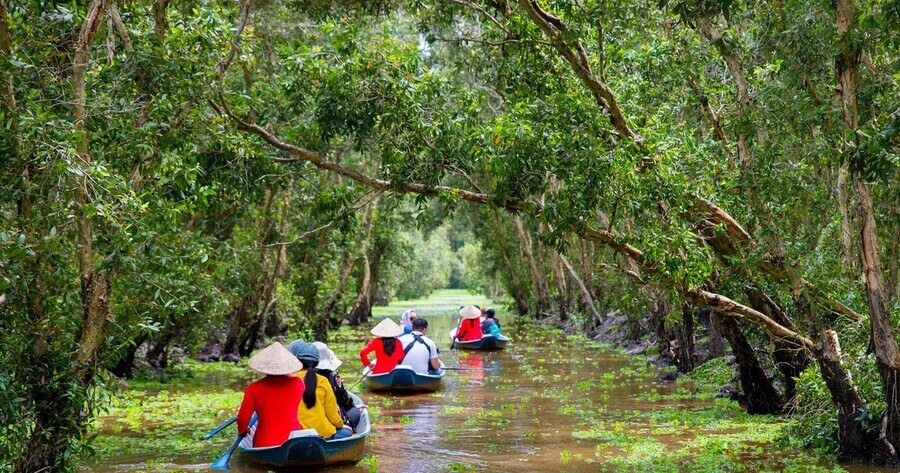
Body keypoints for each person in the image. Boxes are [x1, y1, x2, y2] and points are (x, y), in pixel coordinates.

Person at [236, 342, 305, 448]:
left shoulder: (253, 388)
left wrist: (243, 430)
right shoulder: (298, 383)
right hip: (294, 440)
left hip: (265, 443)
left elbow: (242, 419)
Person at [288, 340, 352, 440]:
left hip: (295, 434)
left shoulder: (289, 381)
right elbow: (333, 416)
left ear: (298, 361)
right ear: (317, 363)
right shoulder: (323, 381)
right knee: (347, 432)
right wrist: (341, 425)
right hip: (322, 434)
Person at [312, 341, 363, 430]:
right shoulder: (332, 377)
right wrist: (352, 405)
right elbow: (344, 397)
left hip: (311, 419)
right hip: (332, 420)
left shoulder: (302, 377)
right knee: (356, 412)